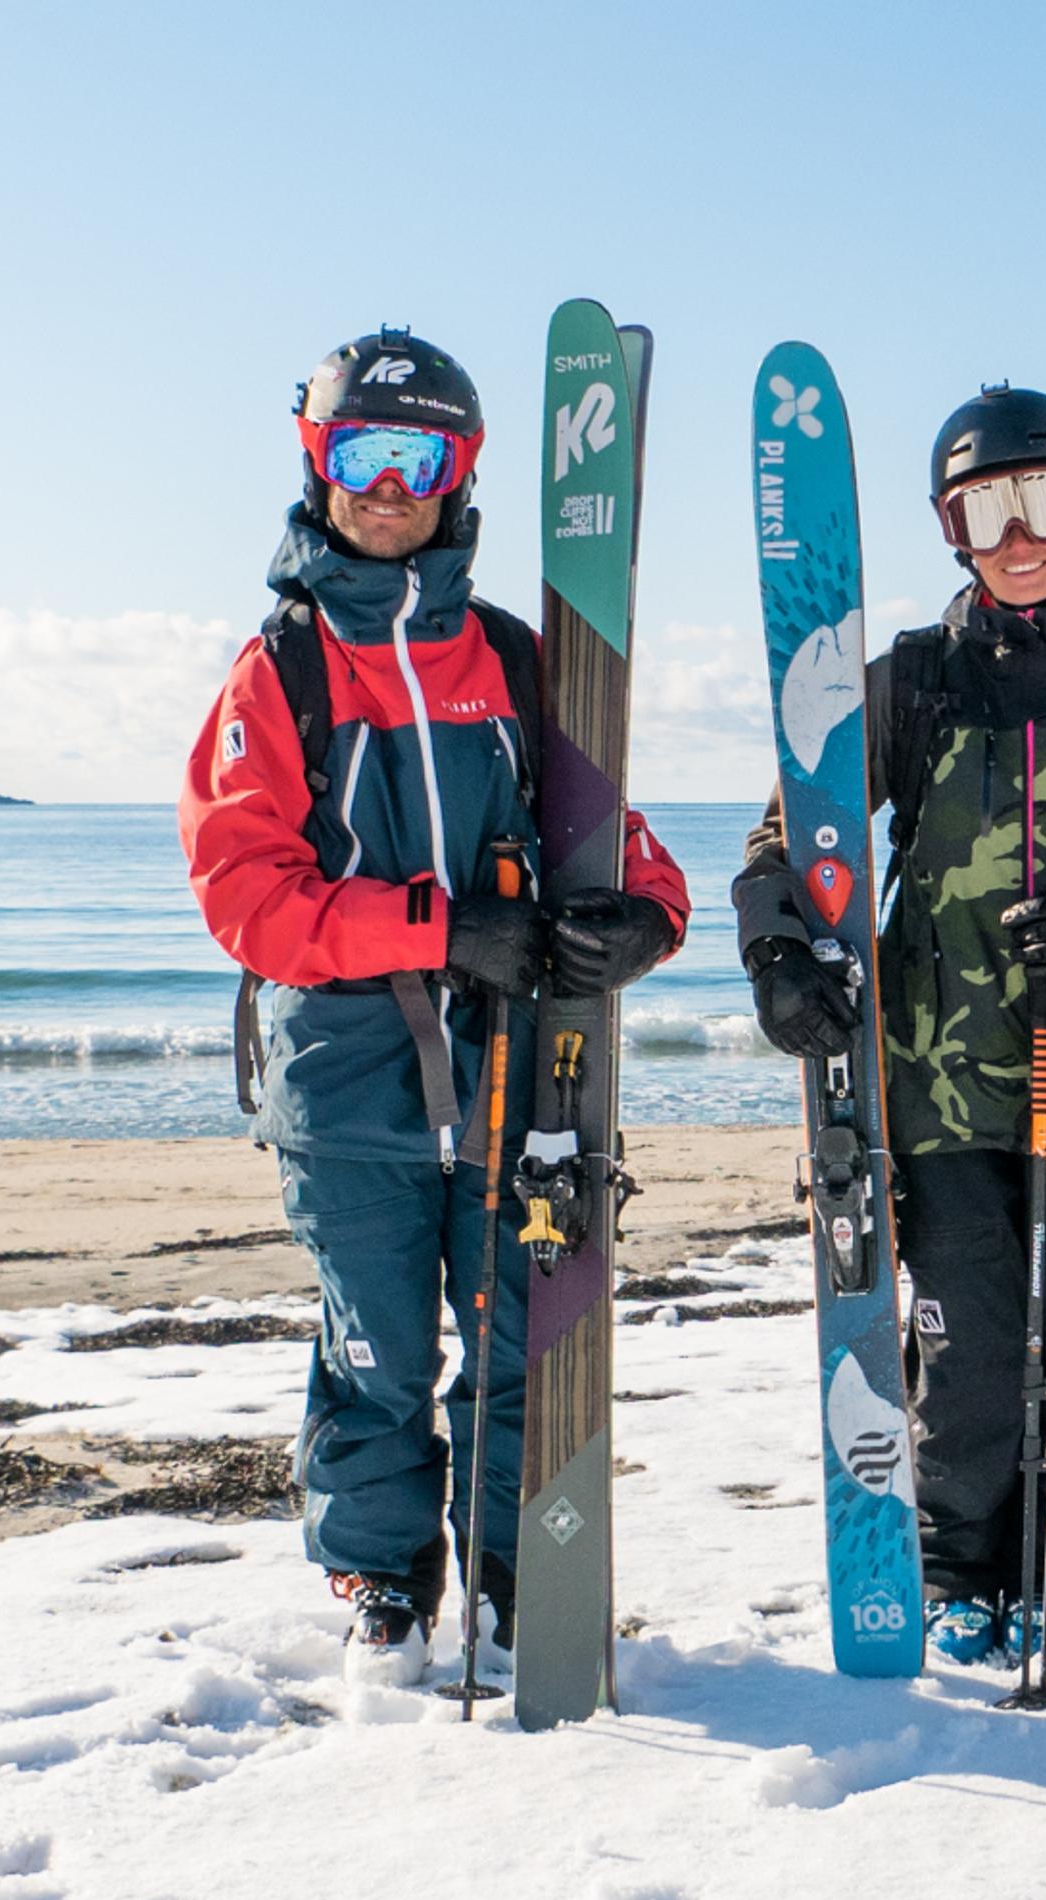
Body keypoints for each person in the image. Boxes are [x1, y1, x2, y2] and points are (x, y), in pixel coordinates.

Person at [180, 327, 688, 1683]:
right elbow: (248, 895)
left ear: (460, 471)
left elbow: (612, 831)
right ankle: (386, 1579)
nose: (391, 484)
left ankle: (528, 1570)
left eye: (421, 456)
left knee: (525, 1331)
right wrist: (444, 925)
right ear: (320, 462)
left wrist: (644, 912)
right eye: (363, 452)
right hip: (348, 1084)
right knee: (381, 1348)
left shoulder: (517, 660)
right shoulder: (280, 671)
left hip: (521, 1075)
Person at [733, 385, 1046, 1665]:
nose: (1022, 536)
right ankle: (955, 1569)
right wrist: (778, 948)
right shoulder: (910, 683)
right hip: (939, 1086)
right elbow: (790, 840)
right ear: (953, 527)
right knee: (964, 1339)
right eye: (989, 509)